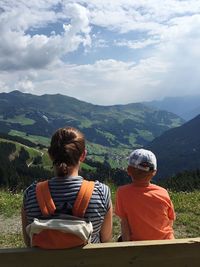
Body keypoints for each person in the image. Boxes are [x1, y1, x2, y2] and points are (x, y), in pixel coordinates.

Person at [21, 126, 112, 246]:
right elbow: (106, 240)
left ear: (50, 155)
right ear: (83, 155)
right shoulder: (101, 192)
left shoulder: (31, 194)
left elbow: (29, 242)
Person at [115, 148, 175, 241]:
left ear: (128, 170)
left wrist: (126, 248)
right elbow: (171, 219)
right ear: (154, 172)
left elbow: (125, 224)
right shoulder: (163, 193)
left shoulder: (122, 192)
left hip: (138, 246)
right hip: (165, 244)